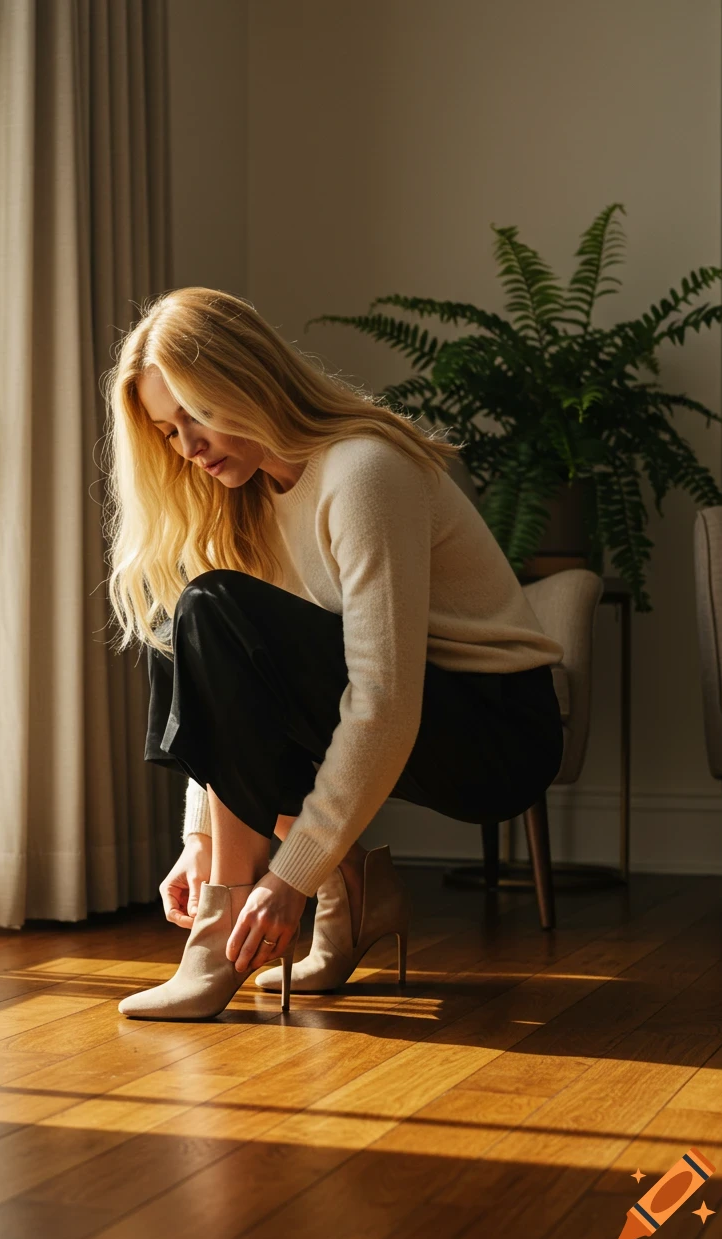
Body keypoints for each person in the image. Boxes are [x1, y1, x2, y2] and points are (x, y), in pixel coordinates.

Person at [102, 286, 564, 1020]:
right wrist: (199, 839)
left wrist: (287, 879)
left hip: (495, 730)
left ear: (247, 381)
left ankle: (222, 940)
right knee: (191, 609)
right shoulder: (246, 498)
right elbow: (227, 691)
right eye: (166, 430)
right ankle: (351, 893)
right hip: (403, 714)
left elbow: (383, 705)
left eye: (195, 414)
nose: (186, 447)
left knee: (212, 609)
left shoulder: (363, 473)